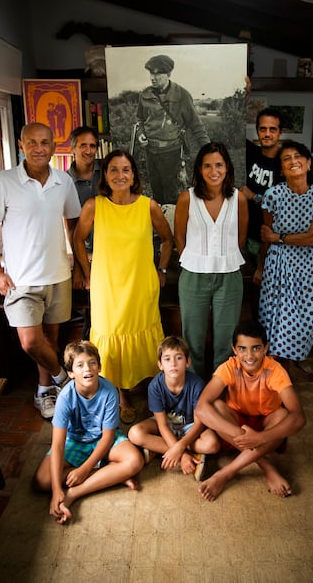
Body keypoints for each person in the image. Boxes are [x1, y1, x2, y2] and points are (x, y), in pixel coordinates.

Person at [0, 122, 82, 419]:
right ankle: (64, 380)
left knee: (50, 342)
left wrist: (78, 266)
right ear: (21, 144)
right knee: (30, 342)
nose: (39, 148)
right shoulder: (4, 180)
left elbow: (73, 225)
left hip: (58, 275)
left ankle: (44, 392)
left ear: (54, 146)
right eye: (32, 142)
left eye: (45, 142)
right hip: (21, 280)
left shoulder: (63, 181)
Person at [73, 149, 173, 424]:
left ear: (133, 175)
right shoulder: (95, 205)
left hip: (141, 284)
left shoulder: (148, 205)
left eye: (125, 169)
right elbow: (77, 238)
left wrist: (161, 270)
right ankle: (121, 394)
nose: (120, 175)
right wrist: (87, 271)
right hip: (107, 285)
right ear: (104, 175)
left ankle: (154, 389)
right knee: (111, 336)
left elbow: (167, 239)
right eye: (113, 170)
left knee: (145, 334)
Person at [32, 340, 144, 524]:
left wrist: (84, 470)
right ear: (70, 373)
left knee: (135, 461)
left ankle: (76, 492)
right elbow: (58, 444)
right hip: (74, 440)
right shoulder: (65, 397)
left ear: (99, 367)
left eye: (92, 363)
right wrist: (55, 490)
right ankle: (112, 476)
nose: (87, 369)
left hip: (103, 439)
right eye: (80, 365)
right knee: (42, 481)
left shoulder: (109, 391)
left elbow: (108, 437)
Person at [195, 319, 306, 501]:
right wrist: (241, 434)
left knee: (283, 415)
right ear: (234, 349)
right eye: (242, 349)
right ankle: (267, 467)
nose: (249, 355)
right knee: (216, 406)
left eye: (256, 348)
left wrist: (260, 437)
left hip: (266, 424)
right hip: (237, 422)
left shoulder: (275, 370)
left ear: (265, 348)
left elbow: (299, 417)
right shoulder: (230, 366)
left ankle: (226, 473)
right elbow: (201, 408)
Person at [174, 141, 248, 380]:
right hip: (193, 276)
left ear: (227, 168)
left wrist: (222, 257)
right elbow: (178, 235)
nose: (213, 171)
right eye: (207, 165)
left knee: (226, 340)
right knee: (192, 339)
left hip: (229, 276)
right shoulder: (187, 198)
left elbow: (241, 237)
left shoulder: (238, 199)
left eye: (219, 164)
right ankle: (194, 389)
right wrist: (197, 258)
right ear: (199, 169)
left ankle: (219, 389)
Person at [257, 139, 313, 365]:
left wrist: (278, 237)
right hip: (277, 264)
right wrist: (260, 267)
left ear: (308, 163)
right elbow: (265, 237)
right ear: (281, 169)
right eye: (286, 159)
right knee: (274, 316)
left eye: (298, 156)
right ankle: (273, 367)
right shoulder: (273, 195)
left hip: (305, 266)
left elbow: (310, 238)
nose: (293, 161)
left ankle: (292, 361)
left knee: (302, 313)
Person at [128, 335, 220, 480]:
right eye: (167, 359)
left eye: (179, 358)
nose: (173, 364)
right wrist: (182, 454)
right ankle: (189, 456)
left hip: (190, 425)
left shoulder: (197, 384)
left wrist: (179, 445)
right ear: (160, 364)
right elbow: (162, 425)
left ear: (188, 362)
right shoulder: (155, 386)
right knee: (135, 433)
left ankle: (157, 449)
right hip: (165, 424)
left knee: (212, 444)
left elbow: (199, 423)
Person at [135, 54, 210, 205]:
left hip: (172, 153)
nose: (152, 77)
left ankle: (174, 225)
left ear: (168, 74)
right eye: (151, 73)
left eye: (157, 73)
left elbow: (196, 125)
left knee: (171, 195)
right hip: (150, 152)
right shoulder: (145, 95)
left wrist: (210, 151)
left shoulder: (182, 95)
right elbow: (140, 120)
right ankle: (162, 223)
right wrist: (140, 133)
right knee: (157, 192)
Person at [240, 105, 283, 318]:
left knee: (268, 293)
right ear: (257, 131)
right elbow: (233, 127)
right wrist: (243, 94)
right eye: (263, 129)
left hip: (270, 240)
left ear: (280, 133)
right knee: (249, 291)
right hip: (245, 234)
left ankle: (266, 343)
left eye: (272, 129)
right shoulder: (252, 153)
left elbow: (285, 204)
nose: (267, 134)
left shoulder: (285, 163)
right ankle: (252, 338)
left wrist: (255, 196)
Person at [67, 126, 101, 255]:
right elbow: (70, 225)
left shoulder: (108, 171)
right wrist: (78, 257)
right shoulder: (65, 181)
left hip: (112, 246)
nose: (88, 151)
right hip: (85, 250)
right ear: (73, 148)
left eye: (92, 146)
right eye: (83, 146)